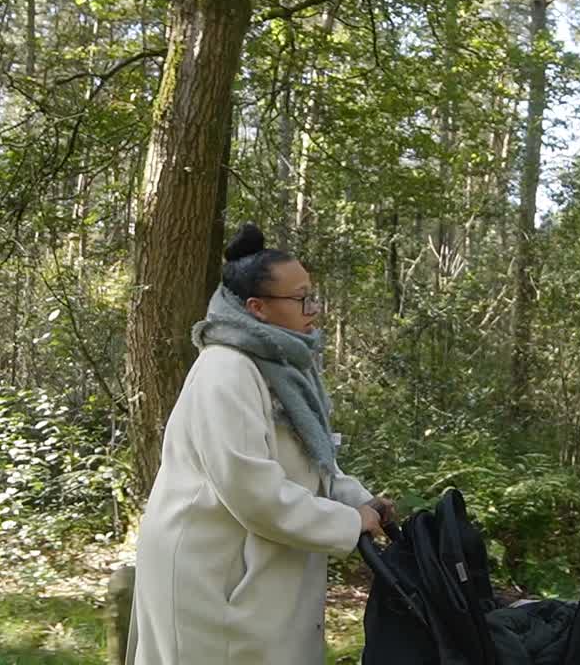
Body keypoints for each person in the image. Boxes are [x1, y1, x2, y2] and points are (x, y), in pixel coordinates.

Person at [127, 222, 392, 665]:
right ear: (257, 308)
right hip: (210, 568)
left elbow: (312, 458)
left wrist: (360, 501)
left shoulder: (284, 366)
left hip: (256, 561)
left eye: (313, 296)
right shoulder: (225, 371)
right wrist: (349, 523)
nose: (314, 308)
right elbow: (252, 490)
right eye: (301, 298)